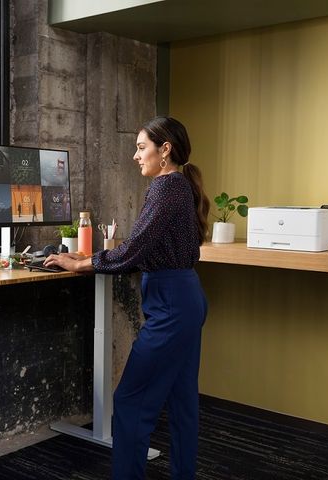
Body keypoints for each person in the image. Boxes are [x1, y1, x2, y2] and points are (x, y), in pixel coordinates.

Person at [44, 116, 210, 479]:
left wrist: (81, 266)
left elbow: (135, 250)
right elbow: (147, 249)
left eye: (141, 147)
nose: (135, 155)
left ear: (165, 149)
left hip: (171, 307)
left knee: (130, 402)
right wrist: (87, 259)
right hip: (187, 299)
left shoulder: (165, 189)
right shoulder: (180, 186)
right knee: (182, 403)